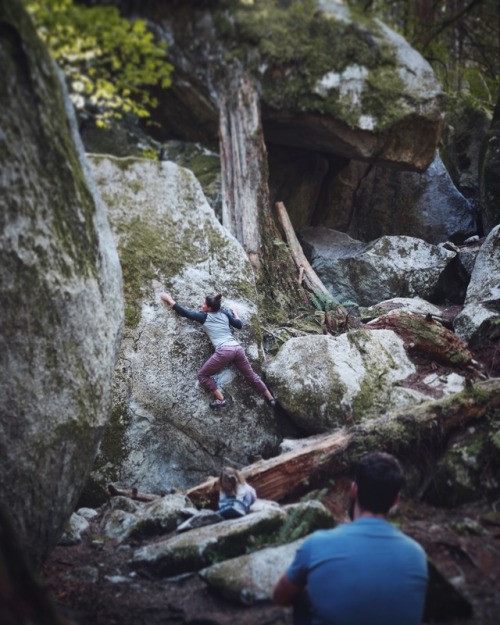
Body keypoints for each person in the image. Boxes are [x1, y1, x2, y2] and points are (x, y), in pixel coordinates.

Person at [273, 452, 429, 625]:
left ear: (354, 490)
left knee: (302, 598)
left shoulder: (317, 544)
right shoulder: (417, 555)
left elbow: (280, 596)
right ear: (395, 501)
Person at [160, 292, 276, 409]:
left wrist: (169, 300)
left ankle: (220, 399)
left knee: (202, 376)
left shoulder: (204, 316)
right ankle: (271, 398)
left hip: (224, 351)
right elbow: (239, 325)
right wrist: (235, 312)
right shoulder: (225, 313)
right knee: (251, 375)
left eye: (204, 304)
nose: (202, 305)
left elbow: (185, 313)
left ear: (209, 308)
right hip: (237, 348)